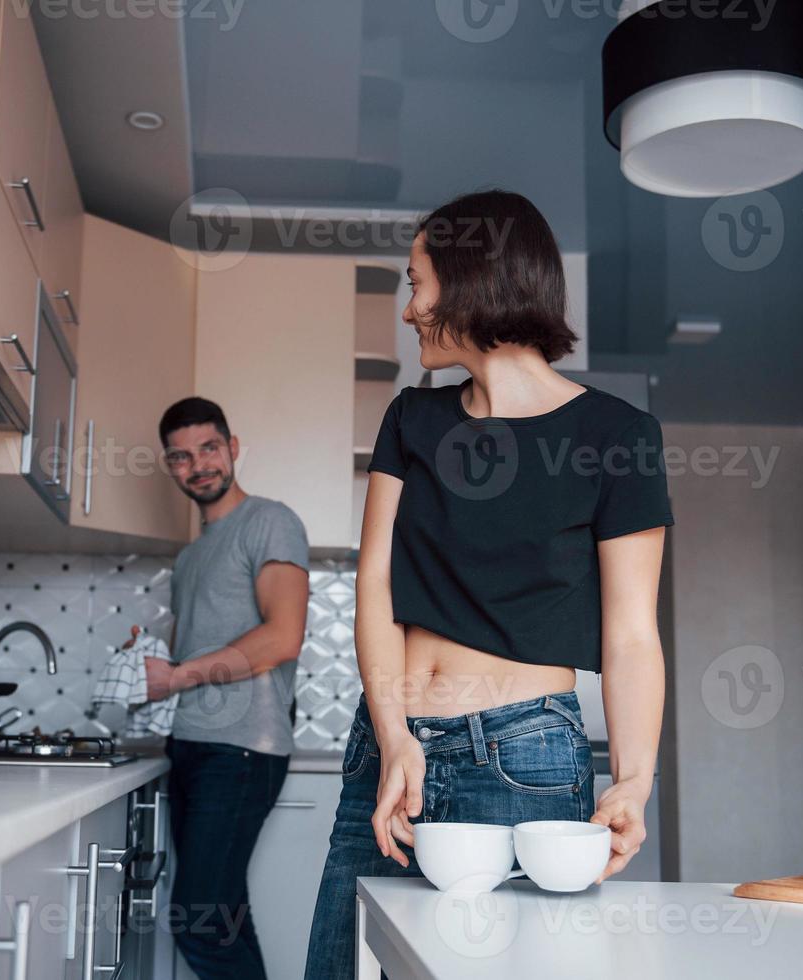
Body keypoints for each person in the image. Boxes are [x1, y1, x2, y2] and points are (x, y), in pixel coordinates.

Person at [303, 189, 674, 978]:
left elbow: (632, 633)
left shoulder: (617, 437)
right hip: (386, 748)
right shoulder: (412, 418)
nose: (409, 310)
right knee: (340, 966)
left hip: (522, 758)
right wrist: (396, 732)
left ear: (471, 282)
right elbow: (372, 583)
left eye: (415, 281)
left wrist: (633, 781)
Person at [136, 396, 311, 979]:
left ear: (232, 449)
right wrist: (155, 656)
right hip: (190, 744)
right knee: (222, 914)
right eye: (181, 456)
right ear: (170, 467)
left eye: (209, 448)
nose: (199, 464)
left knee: (200, 921)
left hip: (239, 749)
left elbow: (282, 637)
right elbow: (199, 646)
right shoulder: (189, 558)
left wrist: (179, 676)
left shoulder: (270, 520)